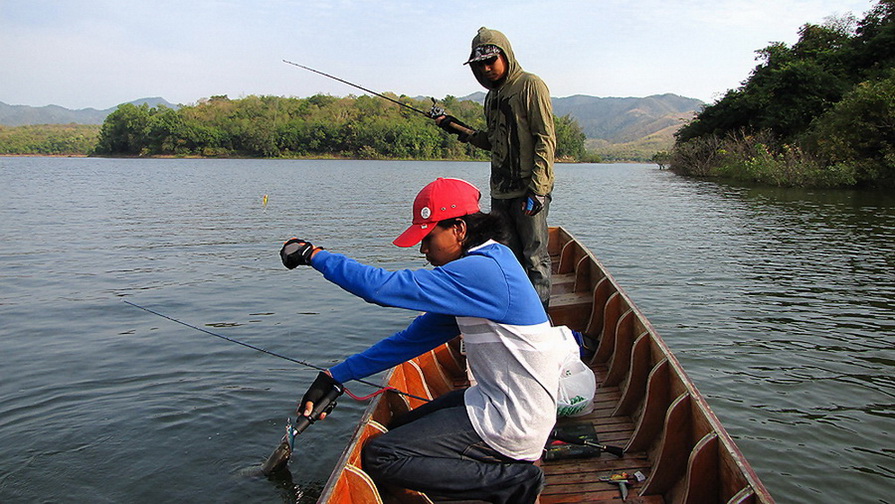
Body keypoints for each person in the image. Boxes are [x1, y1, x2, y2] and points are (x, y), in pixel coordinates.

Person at [280, 177, 566, 504]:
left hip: (514, 419)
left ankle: (514, 481)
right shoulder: (487, 264)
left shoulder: (483, 272)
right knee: (399, 427)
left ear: (458, 229)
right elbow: (412, 340)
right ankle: (486, 469)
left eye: (428, 237)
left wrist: (314, 255)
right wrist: (336, 377)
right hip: (502, 402)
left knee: (382, 455)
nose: (423, 249)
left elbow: (380, 288)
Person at [436, 27, 556, 307]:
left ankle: (538, 320)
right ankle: (513, 311)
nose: (487, 68)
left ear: (506, 56)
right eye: (480, 65)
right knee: (506, 254)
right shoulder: (491, 98)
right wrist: (453, 125)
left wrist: (538, 190)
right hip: (501, 191)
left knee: (534, 255)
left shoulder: (530, 85)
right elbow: (491, 141)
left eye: (492, 60)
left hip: (529, 189)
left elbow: (545, 139)